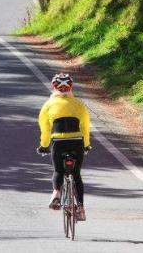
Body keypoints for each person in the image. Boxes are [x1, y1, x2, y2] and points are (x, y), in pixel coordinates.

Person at [36, 72, 91, 221]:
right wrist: (86, 144)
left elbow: (45, 129)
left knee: (58, 170)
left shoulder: (48, 105)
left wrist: (44, 146)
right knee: (77, 174)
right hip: (77, 141)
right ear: (71, 87)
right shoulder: (79, 104)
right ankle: (80, 209)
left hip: (58, 142)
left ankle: (56, 193)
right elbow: (85, 126)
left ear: (53, 87)